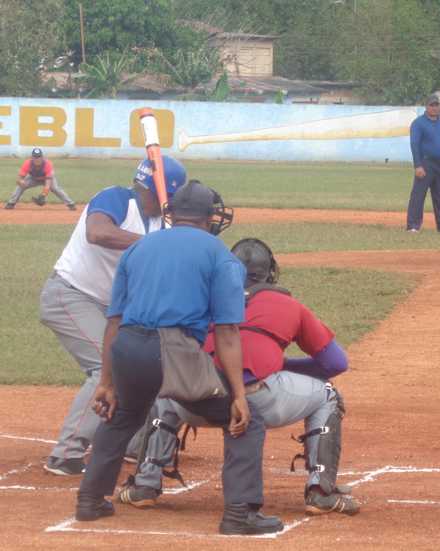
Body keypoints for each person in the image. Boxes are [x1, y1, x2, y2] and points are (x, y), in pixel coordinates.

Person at [75, 181, 283, 536]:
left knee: (122, 413)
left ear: (172, 214)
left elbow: (114, 321)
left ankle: (89, 501)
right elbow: (228, 333)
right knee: (247, 421)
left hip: (126, 346)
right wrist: (238, 395)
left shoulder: (138, 249)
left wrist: (107, 382)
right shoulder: (220, 256)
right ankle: (239, 514)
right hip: (173, 350)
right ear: (208, 217)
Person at [118, 237, 360, 517]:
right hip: (258, 399)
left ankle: (144, 485)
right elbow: (335, 362)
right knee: (328, 395)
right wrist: (281, 365)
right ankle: (321, 491)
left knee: (168, 390)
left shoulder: (201, 298)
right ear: (271, 272)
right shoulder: (288, 305)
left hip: (198, 400)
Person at [39, 156, 187, 476]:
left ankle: (135, 443)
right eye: (167, 197)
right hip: (71, 294)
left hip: (115, 311)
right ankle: (66, 453)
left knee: (143, 362)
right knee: (105, 367)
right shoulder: (117, 198)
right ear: (150, 188)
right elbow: (98, 232)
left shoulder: (165, 223)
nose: (168, 204)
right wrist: (153, 244)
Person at [406, 93, 440, 235]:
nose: (435, 108)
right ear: (426, 106)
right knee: (418, 196)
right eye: (432, 105)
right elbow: (414, 144)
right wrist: (418, 165)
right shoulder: (418, 123)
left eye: (437, 105)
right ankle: (413, 226)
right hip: (426, 163)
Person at [5, 148, 75, 210]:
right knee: (20, 187)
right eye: (35, 157)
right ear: (32, 157)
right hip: (33, 178)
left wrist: (43, 195)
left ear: (42, 157)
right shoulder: (27, 163)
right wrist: (21, 182)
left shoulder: (47, 164)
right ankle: (11, 203)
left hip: (47, 179)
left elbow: (47, 184)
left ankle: (70, 204)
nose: (37, 159)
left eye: (38, 157)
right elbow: (19, 179)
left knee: (55, 188)